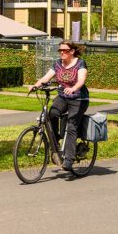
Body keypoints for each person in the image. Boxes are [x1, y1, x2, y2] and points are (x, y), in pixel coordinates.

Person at [32, 40, 89, 171]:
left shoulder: (80, 63)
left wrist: (74, 88)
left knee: (71, 126)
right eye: (60, 50)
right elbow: (46, 78)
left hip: (79, 99)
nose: (62, 52)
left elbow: (81, 80)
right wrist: (36, 85)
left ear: (72, 51)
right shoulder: (58, 63)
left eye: (65, 50)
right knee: (51, 114)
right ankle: (55, 140)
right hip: (63, 97)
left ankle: (69, 159)